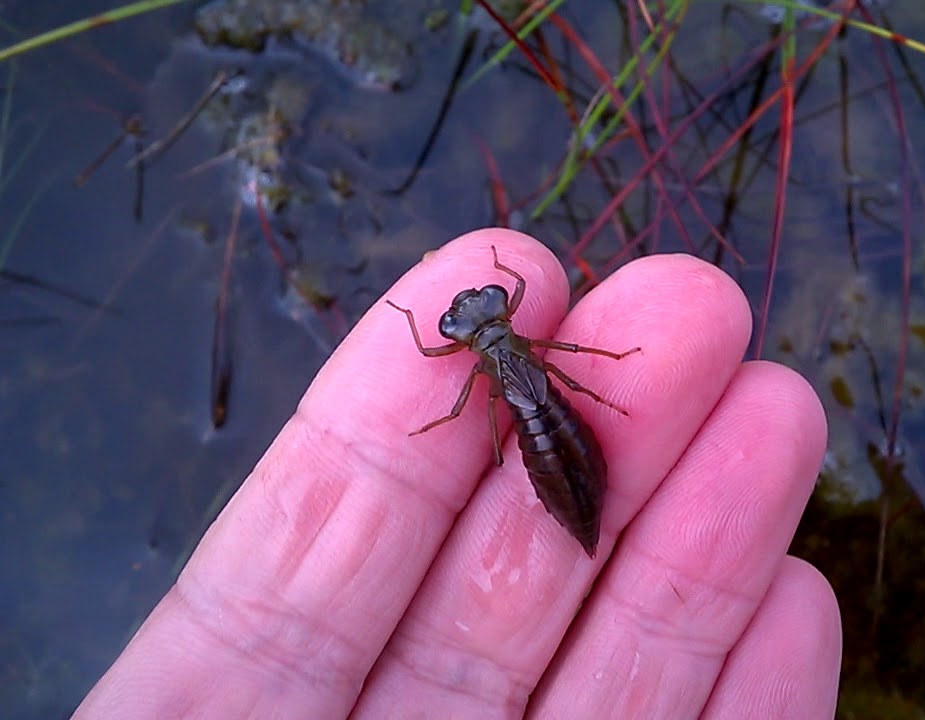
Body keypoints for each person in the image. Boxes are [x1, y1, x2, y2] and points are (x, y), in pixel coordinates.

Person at [74, 228, 841, 718]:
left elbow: (463, 398)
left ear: (487, 326)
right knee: (564, 410)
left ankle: (582, 513)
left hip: (547, 434)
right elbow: (505, 385)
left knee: (565, 420)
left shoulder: (482, 362)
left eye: (480, 312)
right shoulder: (510, 341)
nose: (479, 319)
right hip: (551, 429)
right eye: (472, 319)